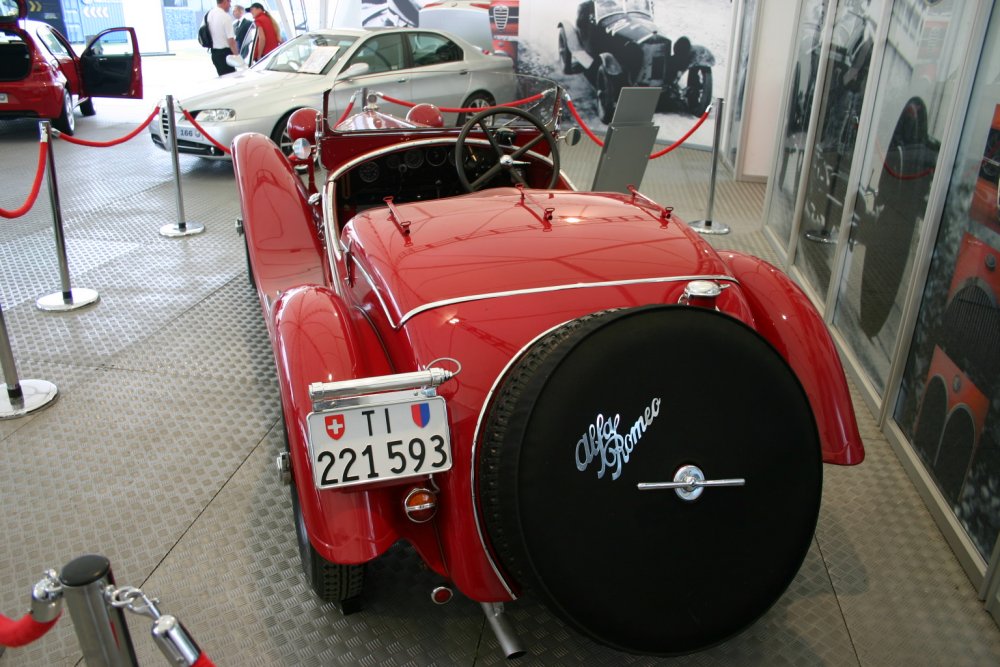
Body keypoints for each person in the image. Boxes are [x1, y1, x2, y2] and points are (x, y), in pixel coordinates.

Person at [207, 0, 239, 76]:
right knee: (231, 78)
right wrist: (237, 57)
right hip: (225, 54)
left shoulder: (210, 14)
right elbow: (231, 41)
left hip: (215, 53)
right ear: (225, 2)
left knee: (223, 78)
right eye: (229, 2)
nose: (230, 6)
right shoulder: (225, 17)